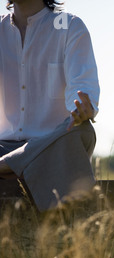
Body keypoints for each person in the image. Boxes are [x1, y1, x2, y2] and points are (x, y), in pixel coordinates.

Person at [0, 0, 100, 211]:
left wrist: (82, 111)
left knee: (82, 131)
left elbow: (82, 87)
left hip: (52, 145)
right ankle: (18, 163)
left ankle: (8, 165)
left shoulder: (69, 25)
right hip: (3, 145)